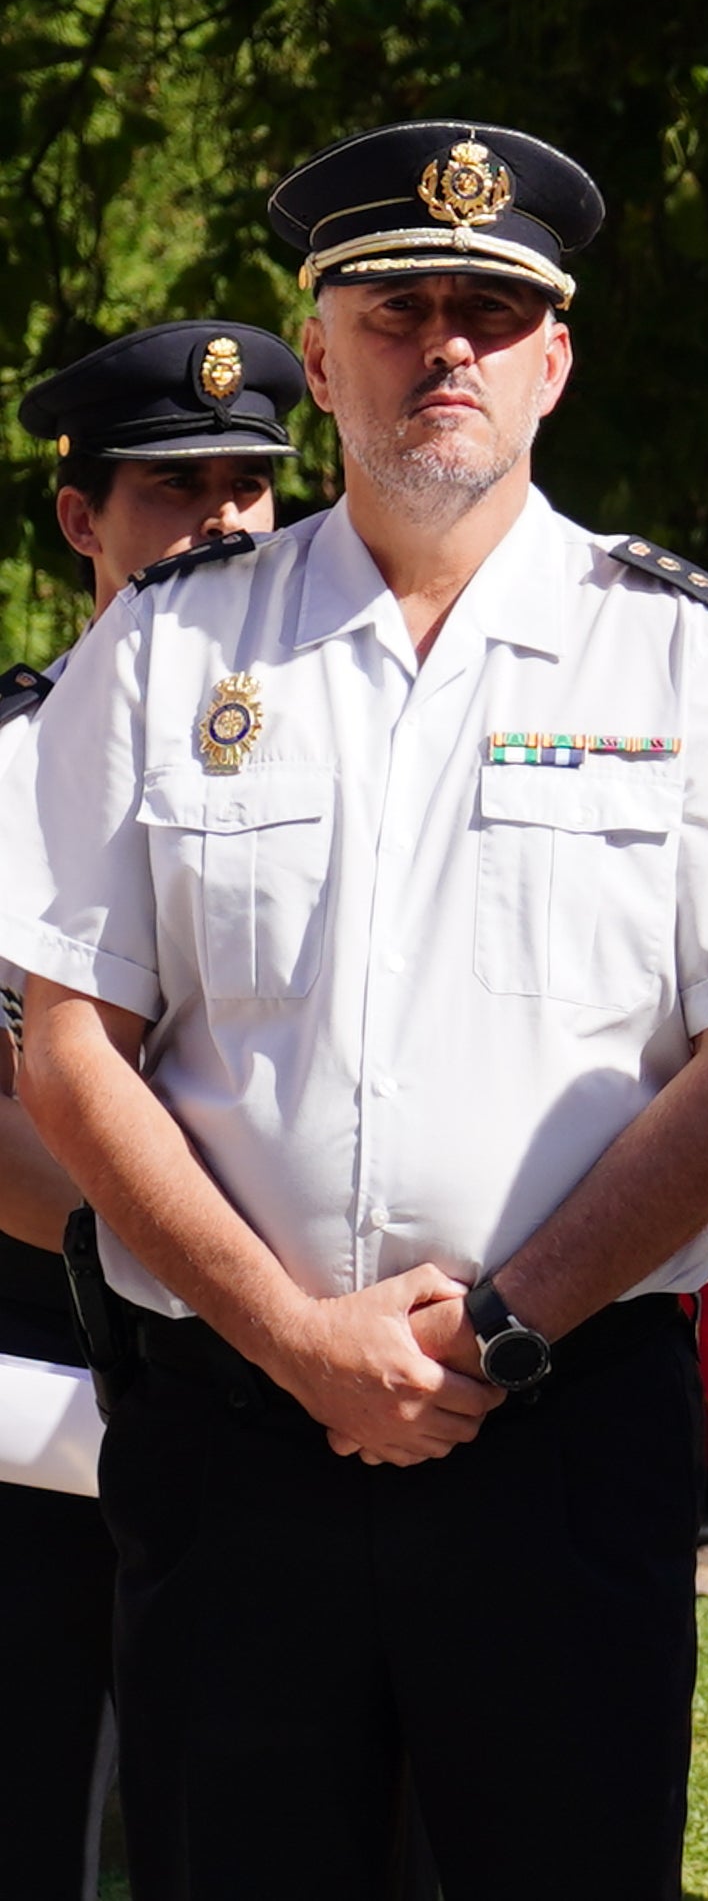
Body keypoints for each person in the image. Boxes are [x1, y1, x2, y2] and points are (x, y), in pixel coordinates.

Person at [0, 119, 708, 1897]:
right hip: (236, 1444)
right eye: (400, 310)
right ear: (320, 355)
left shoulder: (681, 646)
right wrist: (292, 1336)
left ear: (557, 359)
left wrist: (503, 1329)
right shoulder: (166, 649)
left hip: (558, 1443)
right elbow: (70, 1045)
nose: (447, 349)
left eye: (494, 310)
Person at [0, 317, 303, 1900]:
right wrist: (241, 1294)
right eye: (177, 489)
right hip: (42, 1426)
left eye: (255, 482)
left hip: (299, 1421)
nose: (228, 521)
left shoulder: (357, 754)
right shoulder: (5, 760)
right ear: (81, 519)